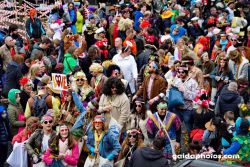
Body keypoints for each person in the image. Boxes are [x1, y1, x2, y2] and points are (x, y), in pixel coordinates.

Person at [172, 65, 198, 133]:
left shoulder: (193, 82)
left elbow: (195, 96)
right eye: (179, 72)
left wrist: (184, 91)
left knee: (189, 128)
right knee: (176, 127)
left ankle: (190, 142)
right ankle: (177, 141)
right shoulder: (177, 80)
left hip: (187, 109)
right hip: (177, 108)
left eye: (182, 72)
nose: (180, 74)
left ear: (186, 72)